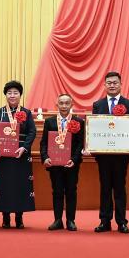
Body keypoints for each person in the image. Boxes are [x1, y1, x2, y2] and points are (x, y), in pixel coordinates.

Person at [91, 71, 129, 233]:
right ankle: (104, 221)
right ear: (104, 85)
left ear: (120, 84)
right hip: (103, 155)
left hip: (121, 155)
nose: (112, 85)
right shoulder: (98, 105)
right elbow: (94, 128)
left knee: (119, 187)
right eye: (109, 83)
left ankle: (122, 222)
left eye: (115, 83)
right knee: (105, 187)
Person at [0, 81, 36, 229]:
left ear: (20, 95)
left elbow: (32, 132)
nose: (12, 95)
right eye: (9, 93)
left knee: (20, 186)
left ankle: (19, 218)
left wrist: (24, 148)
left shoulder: (26, 113)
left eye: (15, 93)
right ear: (6, 95)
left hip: (20, 156)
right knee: (4, 186)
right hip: (2, 157)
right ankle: (5, 218)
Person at [41, 93, 84, 231]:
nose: (64, 106)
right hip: (54, 164)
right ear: (57, 105)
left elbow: (80, 144)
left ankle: (71, 220)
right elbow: (44, 143)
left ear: (72, 105)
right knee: (57, 191)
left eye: (67, 103)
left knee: (71, 191)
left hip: (71, 163)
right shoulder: (50, 122)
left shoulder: (78, 121)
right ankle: (58, 220)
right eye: (61, 103)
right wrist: (45, 157)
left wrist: (74, 160)